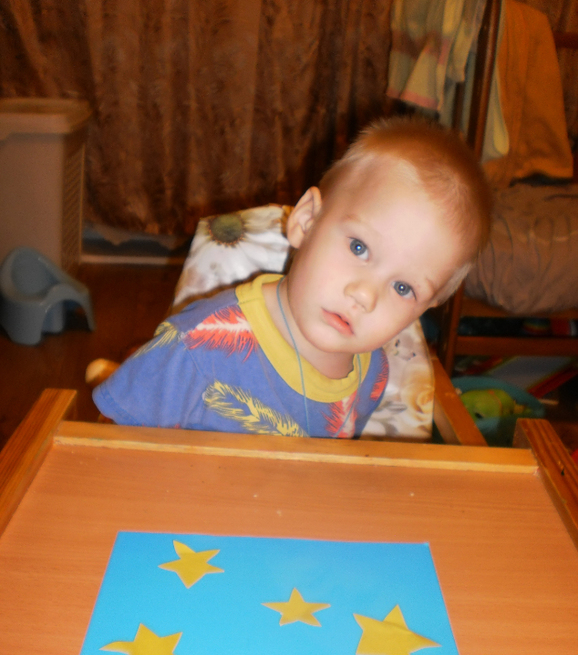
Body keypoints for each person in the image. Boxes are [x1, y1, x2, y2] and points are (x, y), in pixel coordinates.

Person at [93, 116, 491, 438]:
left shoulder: (371, 373)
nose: (365, 295)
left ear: (427, 307)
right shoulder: (196, 347)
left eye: (403, 288)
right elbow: (104, 452)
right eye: (358, 248)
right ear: (306, 220)